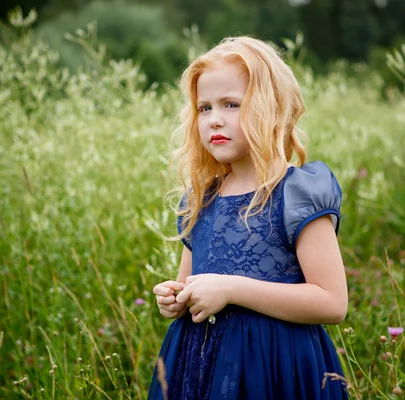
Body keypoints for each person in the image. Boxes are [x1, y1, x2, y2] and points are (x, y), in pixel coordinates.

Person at [148, 36, 349, 400]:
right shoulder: (201, 198)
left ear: (269, 107)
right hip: (201, 364)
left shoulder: (297, 193)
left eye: (231, 104)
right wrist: (176, 299)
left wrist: (230, 289)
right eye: (204, 108)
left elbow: (332, 303)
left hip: (275, 366)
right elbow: (191, 282)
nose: (214, 120)